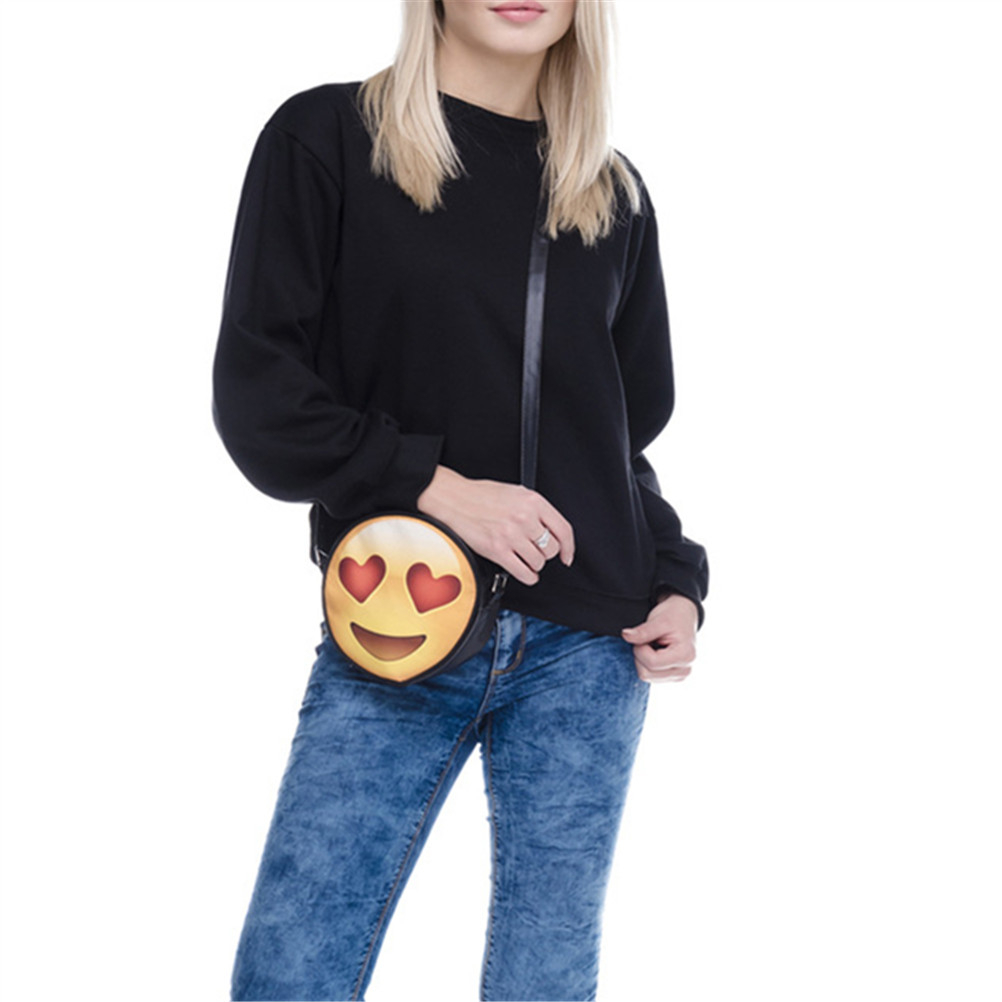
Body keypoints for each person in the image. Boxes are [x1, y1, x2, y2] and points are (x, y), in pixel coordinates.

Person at [212, 1, 708, 998]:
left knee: (544, 981)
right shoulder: (327, 140)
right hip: (401, 619)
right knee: (291, 971)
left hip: (589, 650)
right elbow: (261, 403)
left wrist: (675, 578)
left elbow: (614, 435)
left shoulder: (611, 194)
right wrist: (438, 489)